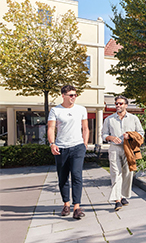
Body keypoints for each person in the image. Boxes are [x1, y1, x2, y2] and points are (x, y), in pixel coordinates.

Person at [47, 85, 89, 220]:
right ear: (63, 95)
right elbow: (51, 128)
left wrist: (85, 144)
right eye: (71, 95)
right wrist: (52, 143)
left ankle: (77, 207)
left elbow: (85, 128)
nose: (73, 97)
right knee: (63, 177)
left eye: (75, 95)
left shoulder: (81, 109)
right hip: (61, 148)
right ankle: (66, 204)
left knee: (77, 175)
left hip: (77, 147)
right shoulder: (55, 110)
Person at [102, 95, 144, 211]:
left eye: (120, 103)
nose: (118, 105)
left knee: (127, 174)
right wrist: (111, 137)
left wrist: (130, 135)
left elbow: (141, 133)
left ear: (126, 105)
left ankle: (123, 196)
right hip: (114, 149)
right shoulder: (109, 119)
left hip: (129, 149)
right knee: (116, 174)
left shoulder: (134, 118)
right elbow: (104, 135)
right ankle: (117, 201)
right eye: (116, 103)